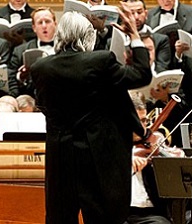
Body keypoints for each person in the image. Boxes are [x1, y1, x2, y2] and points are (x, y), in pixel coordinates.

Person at [30, 4, 152, 223]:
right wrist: (134, 35)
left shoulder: (40, 67)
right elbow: (141, 76)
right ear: (88, 36)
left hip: (60, 157)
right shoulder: (100, 61)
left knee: (60, 218)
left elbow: (43, 105)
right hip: (97, 159)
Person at [129, 91, 185, 224]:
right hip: (118, 212)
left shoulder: (153, 141)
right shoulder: (110, 145)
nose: (141, 127)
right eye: (136, 121)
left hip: (150, 214)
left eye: (144, 121)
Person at [8, 7, 57, 97]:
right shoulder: (20, 51)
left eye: (47, 21)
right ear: (34, 28)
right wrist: (21, 77)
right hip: (31, 97)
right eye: (40, 22)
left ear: (55, 24)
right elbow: (11, 78)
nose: (44, 26)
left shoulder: (66, 47)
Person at [126, 0, 171, 72]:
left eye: (139, 12)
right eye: (131, 13)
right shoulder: (114, 41)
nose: (136, 17)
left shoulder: (161, 40)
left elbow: (162, 69)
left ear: (146, 14)